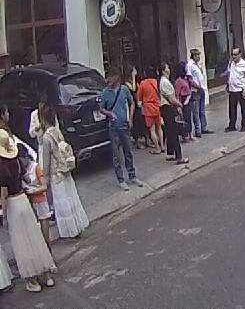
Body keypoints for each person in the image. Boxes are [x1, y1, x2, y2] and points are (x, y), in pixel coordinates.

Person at [0, 123, 57, 292]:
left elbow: (4, 193)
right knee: (35, 237)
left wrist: (3, 214)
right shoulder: (18, 162)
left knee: (22, 242)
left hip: (12, 204)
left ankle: (32, 280)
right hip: (23, 200)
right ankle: (46, 274)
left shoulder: (1, 167)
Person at [32, 104, 89, 241]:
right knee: (71, 199)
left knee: (62, 203)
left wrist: (44, 180)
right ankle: (77, 227)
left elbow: (46, 162)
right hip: (65, 171)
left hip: (55, 175)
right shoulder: (57, 132)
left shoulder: (46, 137)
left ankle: (69, 232)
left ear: (42, 119)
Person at [99, 73, 142, 191]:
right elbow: (101, 108)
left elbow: (132, 103)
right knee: (116, 155)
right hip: (113, 127)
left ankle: (132, 175)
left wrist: (130, 118)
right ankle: (121, 179)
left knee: (128, 151)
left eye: (110, 78)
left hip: (124, 124)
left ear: (116, 78)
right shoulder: (105, 93)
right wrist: (109, 113)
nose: (108, 81)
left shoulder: (124, 89)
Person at [159, 64, 188, 165]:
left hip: (166, 108)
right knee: (173, 132)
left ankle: (170, 153)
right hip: (168, 108)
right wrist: (179, 104)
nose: (169, 70)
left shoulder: (164, 81)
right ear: (163, 71)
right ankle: (179, 157)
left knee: (170, 131)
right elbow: (171, 98)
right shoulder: (165, 82)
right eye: (167, 68)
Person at [225, 47, 245, 132]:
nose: (234, 56)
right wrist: (228, 84)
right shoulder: (231, 63)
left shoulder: (244, 64)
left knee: (244, 108)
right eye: (232, 54)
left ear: (240, 55)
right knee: (232, 108)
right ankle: (232, 125)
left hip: (241, 89)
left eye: (235, 55)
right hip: (232, 90)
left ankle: (244, 125)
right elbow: (229, 74)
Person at [137, 68, 162, 154]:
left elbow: (139, 97)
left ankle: (157, 148)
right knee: (159, 128)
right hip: (157, 106)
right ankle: (162, 146)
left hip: (148, 108)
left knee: (152, 130)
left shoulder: (143, 83)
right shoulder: (156, 82)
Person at [185, 49, 209, 137]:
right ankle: (197, 130)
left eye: (199, 55)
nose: (198, 57)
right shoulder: (189, 65)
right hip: (195, 90)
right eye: (197, 55)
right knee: (196, 111)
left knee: (202, 110)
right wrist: (197, 86)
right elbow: (189, 78)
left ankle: (204, 127)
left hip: (201, 88)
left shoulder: (198, 65)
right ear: (193, 56)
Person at [124, 66, 147, 148]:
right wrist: (133, 77)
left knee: (141, 122)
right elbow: (133, 89)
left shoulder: (136, 82)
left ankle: (144, 139)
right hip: (131, 103)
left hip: (137, 104)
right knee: (135, 122)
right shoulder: (127, 83)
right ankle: (136, 141)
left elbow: (138, 90)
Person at [174, 67, 194, 144]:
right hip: (182, 100)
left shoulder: (185, 79)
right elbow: (177, 94)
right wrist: (178, 105)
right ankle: (185, 135)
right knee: (184, 118)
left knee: (188, 118)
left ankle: (190, 134)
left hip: (188, 100)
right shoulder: (178, 81)